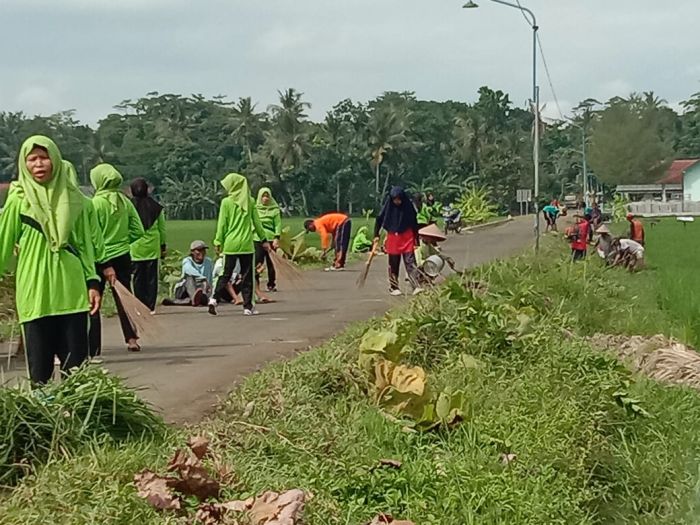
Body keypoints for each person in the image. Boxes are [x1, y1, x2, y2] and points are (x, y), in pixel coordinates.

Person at [0, 136, 100, 384]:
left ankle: (75, 418)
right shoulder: (18, 200)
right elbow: (3, 243)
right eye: (32, 159)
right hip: (35, 295)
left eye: (44, 157)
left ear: (55, 159)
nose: (39, 164)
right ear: (24, 164)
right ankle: (46, 421)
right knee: (39, 374)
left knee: (76, 373)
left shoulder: (76, 201)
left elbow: (85, 246)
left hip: (72, 294)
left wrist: (93, 281)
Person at [90, 163, 145, 353]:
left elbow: (91, 234)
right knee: (124, 299)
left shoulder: (94, 204)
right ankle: (131, 339)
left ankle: (93, 347)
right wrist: (122, 242)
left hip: (99, 258)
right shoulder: (125, 201)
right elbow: (138, 230)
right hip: (122, 255)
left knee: (94, 300)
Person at [209, 173, 269, 316]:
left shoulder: (226, 202)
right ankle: (248, 307)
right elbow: (257, 223)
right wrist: (264, 239)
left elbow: (222, 224)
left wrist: (218, 241)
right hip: (247, 245)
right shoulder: (250, 201)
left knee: (225, 273)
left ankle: (213, 299)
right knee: (247, 276)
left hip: (230, 244)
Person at [373, 186, 421, 296]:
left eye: (399, 199)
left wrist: (416, 239)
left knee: (410, 262)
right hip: (393, 237)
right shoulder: (388, 207)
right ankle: (394, 287)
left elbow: (414, 223)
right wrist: (376, 234)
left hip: (407, 237)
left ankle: (415, 285)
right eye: (395, 199)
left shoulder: (408, 208)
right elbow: (379, 219)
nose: (397, 201)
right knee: (393, 263)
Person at [130, 178, 166, 313]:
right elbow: (162, 229)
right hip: (152, 247)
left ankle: (139, 306)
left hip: (135, 247)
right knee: (151, 278)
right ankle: (150, 306)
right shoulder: (156, 207)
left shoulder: (129, 206)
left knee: (138, 279)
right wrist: (162, 246)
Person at [163, 240, 214, 306]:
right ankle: (195, 298)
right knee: (189, 278)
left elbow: (209, 278)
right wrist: (204, 279)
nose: (202, 252)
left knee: (202, 288)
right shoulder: (187, 261)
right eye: (199, 250)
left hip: (201, 289)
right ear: (192, 252)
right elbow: (189, 271)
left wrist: (208, 290)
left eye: (203, 250)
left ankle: (185, 301)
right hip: (184, 290)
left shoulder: (208, 262)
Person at [254, 187, 281, 292]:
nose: (265, 199)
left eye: (267, 196)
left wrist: (276, 238)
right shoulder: (255, 209)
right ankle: (256, 284)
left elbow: (277, 224)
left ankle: (271, 284)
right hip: (257, 238)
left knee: (271, 263)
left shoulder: (275, 210)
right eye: (263, 196)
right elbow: (252, 223)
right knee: (257, 262)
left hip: (270, 238)